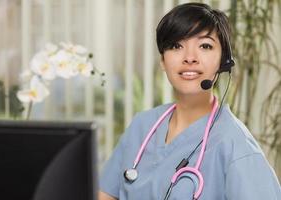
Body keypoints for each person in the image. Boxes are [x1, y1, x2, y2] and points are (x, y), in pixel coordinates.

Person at [98, 2, 281, 200]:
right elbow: (105, 194)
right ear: (163, 61)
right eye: (176, 46)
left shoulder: (235, 144)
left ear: (223, 62)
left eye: (205, 46)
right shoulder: (142, 126)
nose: (190, 58)